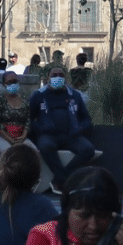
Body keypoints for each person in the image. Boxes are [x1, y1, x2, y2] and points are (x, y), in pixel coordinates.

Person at [28, 65, 95, 193]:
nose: (57, 77)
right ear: (47, 78)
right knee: (46, 146)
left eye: (61, 75)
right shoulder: (38, 95)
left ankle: (59, 179)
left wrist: (80, 128)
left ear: (66, 78)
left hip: (71, 136)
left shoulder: (75, 95)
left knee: (88, 149)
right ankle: (67, 180)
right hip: (48, 135)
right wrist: (41, 129)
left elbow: (86, 119)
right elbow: (29, 119)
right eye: (54, 75)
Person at [0, 70, 33, 153]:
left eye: (15, 81)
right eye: (9, 82)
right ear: (4, 84)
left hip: (20, 136)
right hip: (1, 136)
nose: (13, 84)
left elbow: (28, 120)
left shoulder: (24, 99)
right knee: (9, 152)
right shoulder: (0, 100)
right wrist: (10, 139)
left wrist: (23, 135)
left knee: (33, 152)